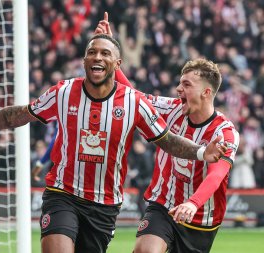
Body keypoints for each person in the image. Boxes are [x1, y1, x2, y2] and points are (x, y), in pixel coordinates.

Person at [0, 33, 226, 253]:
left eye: (105, 53)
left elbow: (166, 141)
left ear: (116, 63)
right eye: (92, 52)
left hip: (104, 204)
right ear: (84, 60)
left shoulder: (134, 103)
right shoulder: (63, 92)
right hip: (63, 193)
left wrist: (201, 151)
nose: (98, 57)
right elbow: (19, 115)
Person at [95, 13, 239, 253]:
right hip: (162, 204)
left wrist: (192, 204)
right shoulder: (171, 108)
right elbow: (132, 96)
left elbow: (217, 174)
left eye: (186, 84)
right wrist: (112, 54)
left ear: (206, 92)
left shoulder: (225, 133)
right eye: (179, 83)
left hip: (201, 218)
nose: (178, 88)